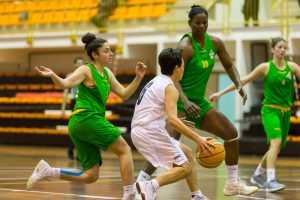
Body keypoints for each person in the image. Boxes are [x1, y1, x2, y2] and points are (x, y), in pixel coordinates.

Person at [136, 5, 258, 196]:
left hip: (198, 103)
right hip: (177, 103)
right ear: (190, 24)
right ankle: (141, 181)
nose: (201, 26)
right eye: (197, 23)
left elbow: (229, 64)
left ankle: (232, 184)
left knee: (231, 134)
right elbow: (170, 77)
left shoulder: (215, 43)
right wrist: (184, 101)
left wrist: (240, 85)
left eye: (205, 22)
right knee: (165, 146)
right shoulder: (185, 47)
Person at [27, 32, 147, 200]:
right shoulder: (85, 70)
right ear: (95, 55)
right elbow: (66, 84)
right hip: (86, 118)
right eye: (106, 51)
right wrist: (53, 75)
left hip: (81, 123)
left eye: (110, 50)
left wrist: (138, 78)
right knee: (125, 150)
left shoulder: (107, 73)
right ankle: (129, 194)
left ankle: (49, 171)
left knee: (91, 175)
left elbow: (125, 94)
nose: (111, 53)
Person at [209, 37, 300, 192]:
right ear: (272, 49)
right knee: (276, 144)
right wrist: (221, 93)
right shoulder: (265, 67)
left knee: (275, 147)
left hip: (286, 112)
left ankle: (258, 175)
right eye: (280, 47)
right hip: (270, 110)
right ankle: (271, 179)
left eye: (285, 47)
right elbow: (243, 80)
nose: (283, 50)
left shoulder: (292, 67)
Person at [132, 48, 214, 200]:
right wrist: (198, 138)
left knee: (187, 153)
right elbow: (172, 120)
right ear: (177, 67)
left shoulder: (155, 81)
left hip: (142, 130)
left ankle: (197, 195)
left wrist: (173, 119)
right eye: (183, 64)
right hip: (149, 133)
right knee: (185, 168)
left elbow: (154, 111)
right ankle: (150, 185)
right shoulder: (170, 88)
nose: (184, 68)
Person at [61, 56, 85, 160]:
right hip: (74, 102)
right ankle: (71, 149)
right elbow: (66, 91)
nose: (80, 65)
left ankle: (79, 152)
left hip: (84, 103)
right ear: (74, 65)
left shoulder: (86, 76)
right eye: (78, 63)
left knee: (82, 128)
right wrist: (63, 107)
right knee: (75, 127)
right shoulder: (70, 75)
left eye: (81, 63)